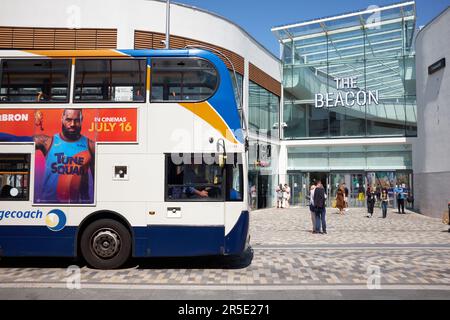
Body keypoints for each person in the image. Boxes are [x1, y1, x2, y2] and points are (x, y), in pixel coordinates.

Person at [34, 109, 95, 204]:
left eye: (76, 120)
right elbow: (17, 140)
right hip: (48, 206)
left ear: (81, 120)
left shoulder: (90, 146)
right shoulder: (47, 142)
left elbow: (98, 181)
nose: (72, 124)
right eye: (68, 120)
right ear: (62, 119)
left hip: (79, 207)